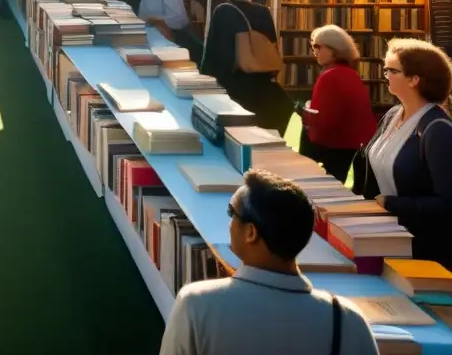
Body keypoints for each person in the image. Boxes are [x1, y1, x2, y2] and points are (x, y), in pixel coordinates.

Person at [160, 169, 377, 355]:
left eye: (231, 211)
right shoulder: (348, 321)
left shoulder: (196, 305)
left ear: (251, 233)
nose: (228, 221)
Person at [359, 39, 452, 269]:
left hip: (424, 249)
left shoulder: (437, 129)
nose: (385, 75)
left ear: (415, 79)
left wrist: (393, 204)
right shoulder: (392, 115)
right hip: (387, 236)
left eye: (392, 70)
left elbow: (447, 203)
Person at [200, 0, 291, 136]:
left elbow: (215, 51)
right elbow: (271, 46)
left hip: (234, 85)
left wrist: (204, 82)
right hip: (261, 85)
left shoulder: (224, 11)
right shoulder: (263, 12)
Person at [299, 25, 376, 181]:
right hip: (356, 146)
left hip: (335, 146)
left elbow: (323, 123)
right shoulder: (350, 74)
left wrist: (304, 114)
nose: (315, 52)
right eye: (314, 47)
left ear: (336, 49)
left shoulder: (330, 76)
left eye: (318, 46)